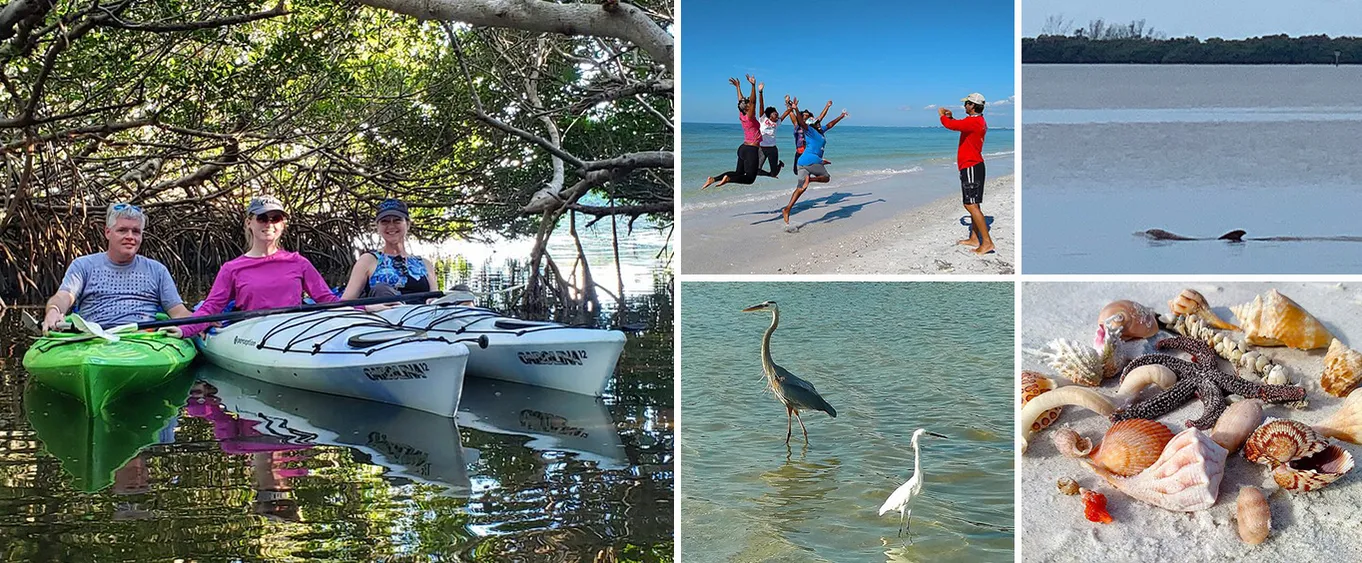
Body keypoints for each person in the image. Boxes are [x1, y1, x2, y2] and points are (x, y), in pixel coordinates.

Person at [179, 196, 339, 338]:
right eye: (262, 218)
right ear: (249, 223)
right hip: (253, 335)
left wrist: (361, 309)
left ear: (282, 225)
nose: (269, 224)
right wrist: (183, 330)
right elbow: (211, 307)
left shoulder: (299, 262)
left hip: (293, 330)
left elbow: (327, 299)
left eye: (275, 218)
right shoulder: (232, 268)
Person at [40, 203, 192, 334]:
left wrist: (202, 322)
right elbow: (64, 296)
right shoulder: (83, 265)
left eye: (136, 231)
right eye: (122, 230)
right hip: (93, 337)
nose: (130, 236)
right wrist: (53, 310)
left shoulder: (158, 271)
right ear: (108, 232)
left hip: (143, 339)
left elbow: (178, 312)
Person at [339, 198, 437, 307]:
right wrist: (368, 308)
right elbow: (345, 303)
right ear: (377, 227)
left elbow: (435, 297)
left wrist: (434, 300)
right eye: (385, 221)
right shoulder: (368, 260)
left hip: (421, 317)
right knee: (382, 289)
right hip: (385, 319)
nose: (391, 226)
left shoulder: (425, 264)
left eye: (397, 220)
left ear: (408, 224)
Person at [940, 92, 994, 255]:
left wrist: (943, 116)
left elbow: (951, 126)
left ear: (972, 105)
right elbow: (959, 124)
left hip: (971, 166)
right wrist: (951, 117)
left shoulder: (974, 122)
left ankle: (987, 242)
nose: (964, 106)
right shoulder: (977, 121)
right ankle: (974, 238)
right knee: (975, 203)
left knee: (969, 204)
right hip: (974, 165)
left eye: (966, 103)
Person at [783, 98, 849, 224]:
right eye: (817, 122)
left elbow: (829, 124)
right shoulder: (810, 131)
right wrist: (795, 108)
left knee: (801, 188)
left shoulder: (819, 131)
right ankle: (811, 179)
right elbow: (802, 123)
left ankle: (787, 209)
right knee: (826, 177)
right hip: (810, 161)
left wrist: (841, 116)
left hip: (802, 162)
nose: (819, 123)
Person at [700, 75, 762, 189]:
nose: (750, 104)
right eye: (749, 104)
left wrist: (738, 87)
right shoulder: (750, 116)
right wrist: (753, 85)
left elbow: (741, 101)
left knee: (738, 173)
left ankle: (713, 179)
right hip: (751, 150)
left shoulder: (742, 114)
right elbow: (753, 102)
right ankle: (728, 179)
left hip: (743, 149)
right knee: (750, 179)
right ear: (748, 108)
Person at [755, 84, 790, 178]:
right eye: (775, 114)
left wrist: (788, 103)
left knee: (774, 173)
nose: (777, 115)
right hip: (762, 149)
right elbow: (761, 105)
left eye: (777, 114)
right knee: (756, 170)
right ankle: (770, 174)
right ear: (770, 115)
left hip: (772, 149)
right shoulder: (763, 119)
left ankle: (778, 166)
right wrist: (760, 92)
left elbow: (787, 112)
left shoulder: (777, 122)